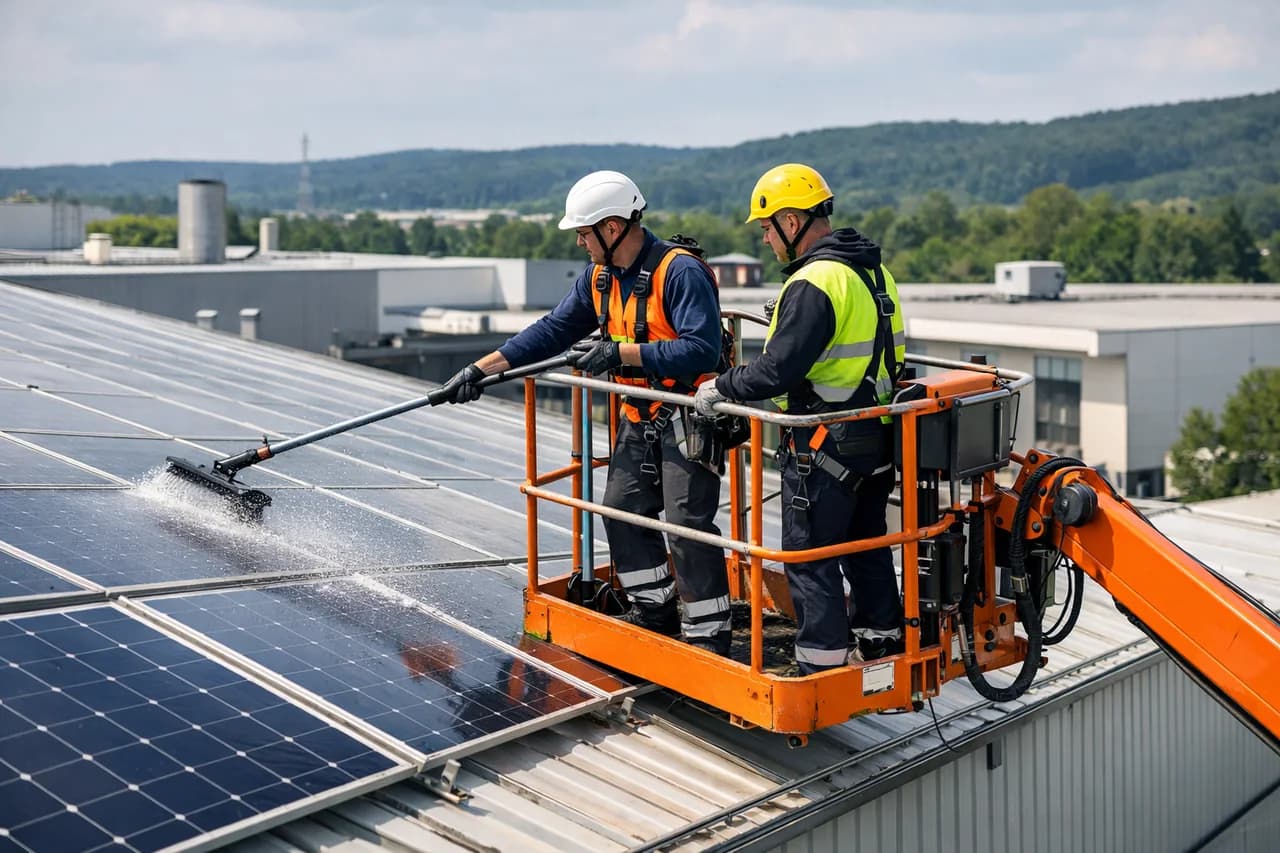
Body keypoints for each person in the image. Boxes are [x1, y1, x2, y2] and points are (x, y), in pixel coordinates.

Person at [439, 170, 733, 656]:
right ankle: (655, 610)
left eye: (583, 232)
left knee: (686, 524)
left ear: (612, 228)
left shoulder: (679, 272)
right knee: (621, 508)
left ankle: (708, 635)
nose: (580, 242)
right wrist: (481, 368)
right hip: (639, 417)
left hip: (687, 419)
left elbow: (702, 350)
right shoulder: (599, 277)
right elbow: (553, 330)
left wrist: (623, 354)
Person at [694, 163, 906, 674]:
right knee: (866, 544)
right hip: (876, 436)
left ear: (792, 222)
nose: (765, 239)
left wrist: (718, 387)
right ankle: (882, 640)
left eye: (767, 227)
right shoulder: (871, 270)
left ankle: (821, 662)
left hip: (823, 443)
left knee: (810, 554)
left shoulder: (814, 281)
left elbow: (777, 371)